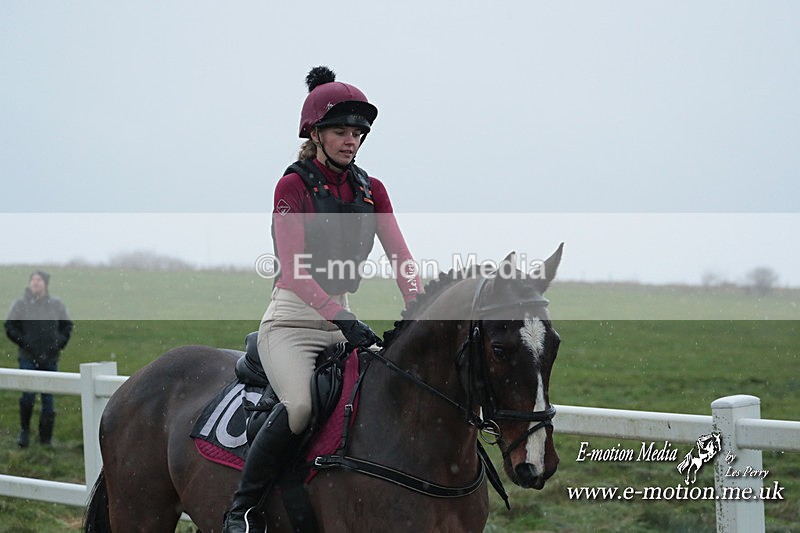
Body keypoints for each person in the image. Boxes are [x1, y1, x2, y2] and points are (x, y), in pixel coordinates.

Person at [223, 66, 421, 532]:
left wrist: (418, 303)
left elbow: (401, 255)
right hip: (291, 322)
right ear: (314, 133)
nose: (351, 140)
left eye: (357, 133)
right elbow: (292, 270)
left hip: (341, 319)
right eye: (340, 131)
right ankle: (244, 509)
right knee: (300, 409)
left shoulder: (373, 191)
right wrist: (339, 317)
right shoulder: (291, 187)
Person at [4, 270, 73, 448]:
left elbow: (67, 325)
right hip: (28, 357)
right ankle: (24, 433)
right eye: (32, 280)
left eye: (39, 280)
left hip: (50, 359)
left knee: (48, 399)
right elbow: (10, 325)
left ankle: (45, 440)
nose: (35, 283)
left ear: (46, 284)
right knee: (27, 395)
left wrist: (58, 343)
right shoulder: (21, 304)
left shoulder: (56, 304)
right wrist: (24, 342)